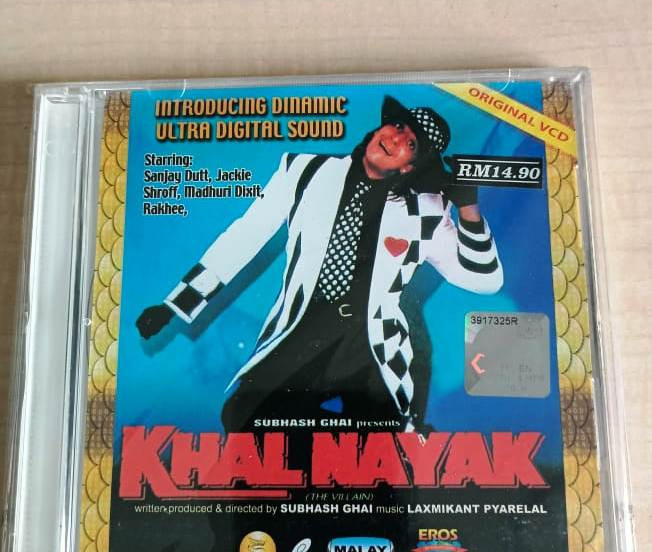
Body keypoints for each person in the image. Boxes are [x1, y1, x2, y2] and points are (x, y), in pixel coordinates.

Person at [136, 96, 503, 432]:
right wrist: (176, 305)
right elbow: (246, 235)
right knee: (242, 417)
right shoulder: (303, 170)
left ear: (410, 167)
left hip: (369, 343)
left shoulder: (427, 211)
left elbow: (485, 280)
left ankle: (394, 434)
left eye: (411, 144)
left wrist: (469, 211)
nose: (395, 138)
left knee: (384, 439)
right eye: (398, 126)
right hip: (302, 328)